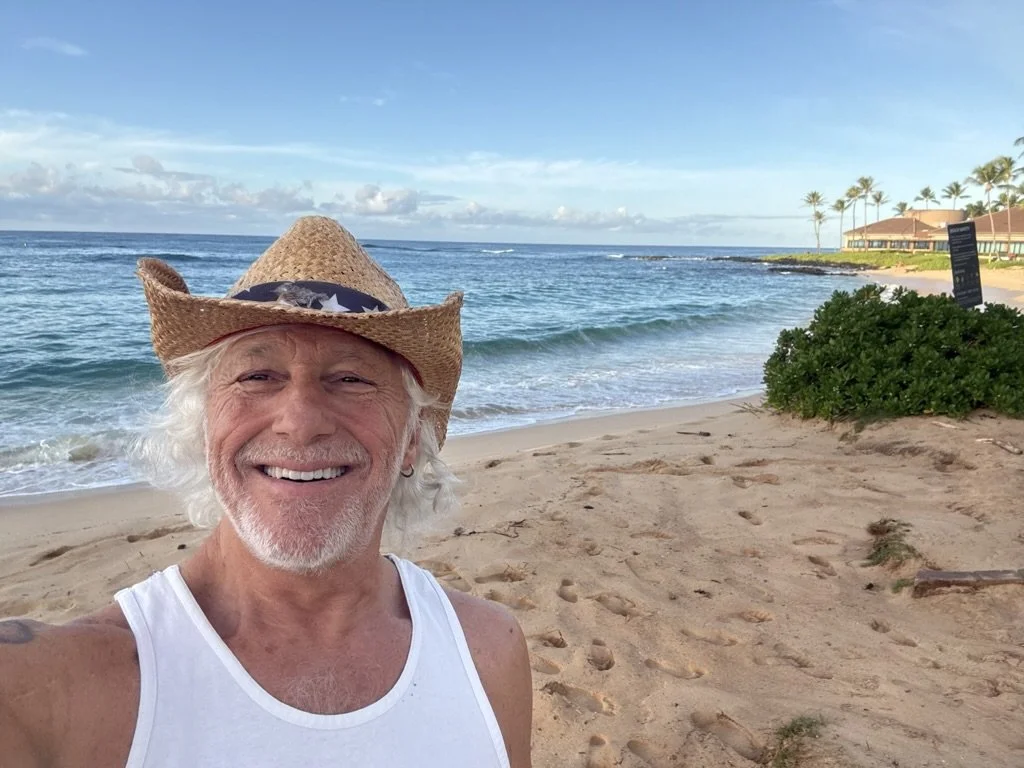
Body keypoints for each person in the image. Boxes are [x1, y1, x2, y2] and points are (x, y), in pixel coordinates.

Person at [0, 216, 533, 767]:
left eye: (351, 378)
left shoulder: (489, 651)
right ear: (203, 423)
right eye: (257, 377)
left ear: (412, 442)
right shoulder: (51, 690)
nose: (299, 422)